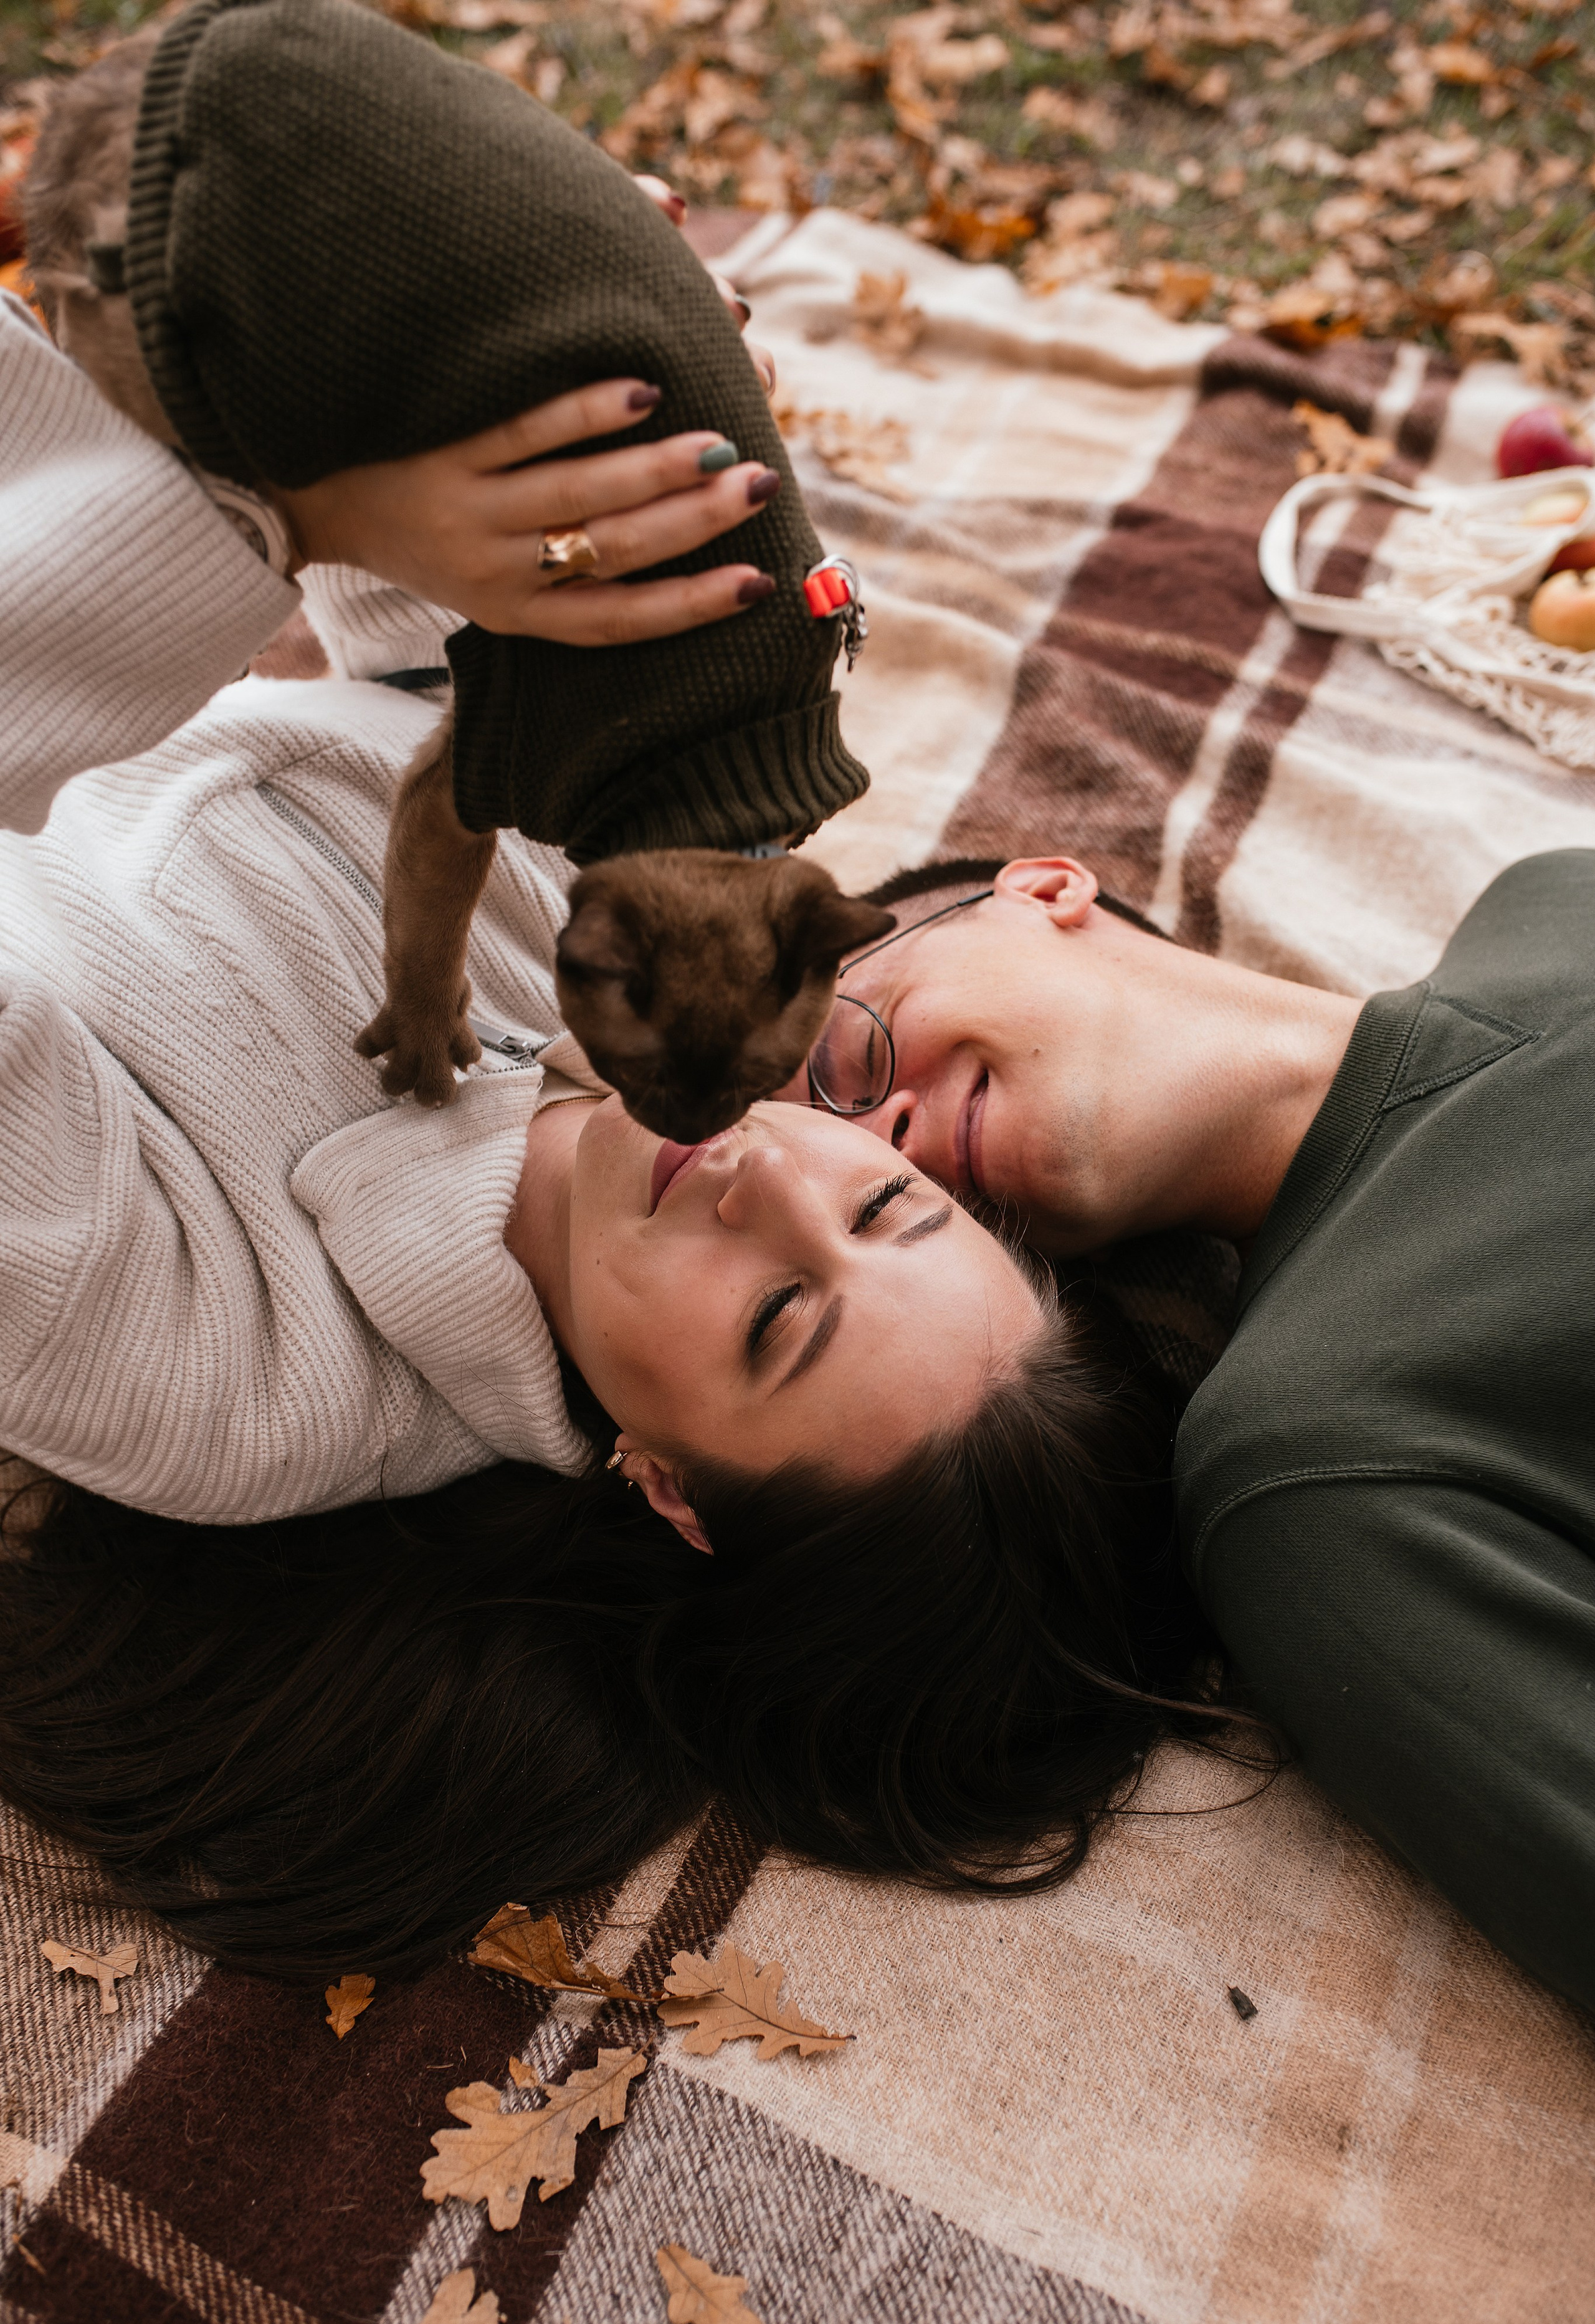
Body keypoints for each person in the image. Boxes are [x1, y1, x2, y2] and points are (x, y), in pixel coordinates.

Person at [0, 283, 1214, 1979]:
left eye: (781, 1322)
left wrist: (262, 514)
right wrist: (569, 436)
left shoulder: (230, 1384)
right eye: (883, 1213)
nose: (762, 1177)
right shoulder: (634, 971)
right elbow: (443, 648)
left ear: (670, 1493)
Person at [810, 851, 1595, 2012]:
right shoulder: (1314, 1466)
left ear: (1042, 890)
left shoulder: (1549, 894)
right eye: (859, 1190)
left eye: (842, 1058)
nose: (883, 1139)